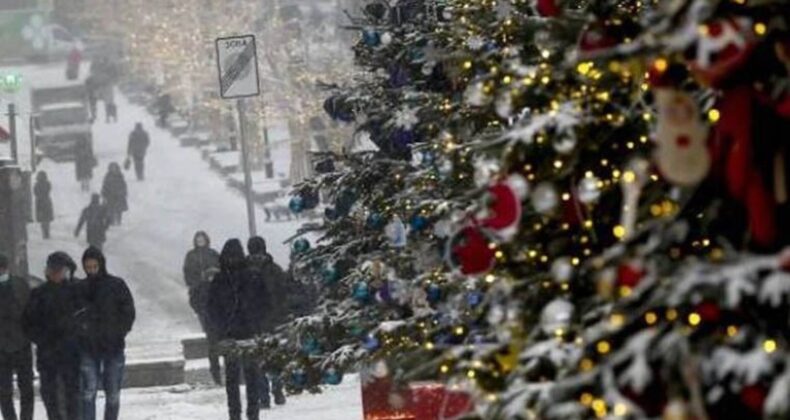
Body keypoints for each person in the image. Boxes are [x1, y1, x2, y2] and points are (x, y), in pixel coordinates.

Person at [76, 247, 135, 420]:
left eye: (95, 266)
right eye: (88, 267)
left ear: (101, 264)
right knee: (88, 392)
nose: (92, 270)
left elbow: (128, 312)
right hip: (88, 347)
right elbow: (73, 315)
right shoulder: (80, 288)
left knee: (113, 393)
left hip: (113, 345)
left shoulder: (116, 285)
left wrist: (119, 332)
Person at [209, 240, 265, 420]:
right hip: (244, 333)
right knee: (250, 377)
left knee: (235, 379)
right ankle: (251, 413)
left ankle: (236, 414)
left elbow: (212, 308)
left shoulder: (220, 280)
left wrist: (219, 330)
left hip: (231, 333)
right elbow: (262, 303)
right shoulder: (251, 276)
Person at [23, 252, 81, 420]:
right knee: (50, 397)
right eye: (52, 270)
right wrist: (42, 338)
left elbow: (89, 317)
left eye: (59, 270)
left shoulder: (77, 291)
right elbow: (27, 323)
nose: (56, 274)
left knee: (73, 397)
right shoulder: (39, 294)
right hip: (48, 354)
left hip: (72, 354)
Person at [246, 237, 287, 408]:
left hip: (256, 320)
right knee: (273, 357)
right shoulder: (274, 269)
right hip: (271, 320)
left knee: (258, 359)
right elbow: (283, 294)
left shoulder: (245, 271)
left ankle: (265, 396)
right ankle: (276, 390)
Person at [182, 231, 221, 385]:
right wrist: (199, 280)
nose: (200, 241)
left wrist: (214, 275)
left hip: (216, 299)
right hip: (201, 298)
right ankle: (215, 370)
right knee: (211, 334)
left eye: (202, 238)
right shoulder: (191, 256)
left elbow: (222, 270)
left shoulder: (213, 254)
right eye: (198, 239)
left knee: (216, 336)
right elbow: (188, 276)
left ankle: (217, 370)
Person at [0, 254, 33, 420]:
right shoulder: (21, 284)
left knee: (8, 391)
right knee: (14, 390)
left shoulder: (20, 285)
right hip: (19, 343)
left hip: (18, 343)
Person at [34, 171, 54, 239]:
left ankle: (44, 233)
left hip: (39, 203)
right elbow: (49, 190)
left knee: (42, 219)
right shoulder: (48, 183)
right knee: (47, 219)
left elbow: (35, 192)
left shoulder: (36, 184)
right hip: (47, 201)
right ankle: (47, 232)